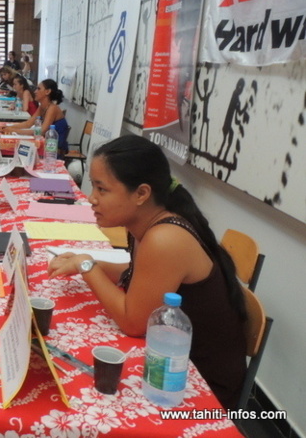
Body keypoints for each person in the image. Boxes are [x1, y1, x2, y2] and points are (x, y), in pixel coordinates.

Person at [48, 135, 247, 409]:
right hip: (170, 362)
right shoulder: (146, 224)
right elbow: (140, 275)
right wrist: (91, 263)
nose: (91, 198)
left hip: (195, 388)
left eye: (102, 189)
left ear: (141, 193)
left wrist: (88, 267)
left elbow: (132, 322)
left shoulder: (165, 238)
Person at [0, 79, 69, 154]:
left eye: (38, 89)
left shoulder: (52, 108)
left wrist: (14, 130)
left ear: (47, 91)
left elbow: (41, 131)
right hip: (46, 143)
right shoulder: (42, 107)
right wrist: (9, 127)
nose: (35, 91)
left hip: (54, 149)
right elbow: (28, 123)